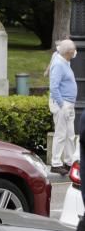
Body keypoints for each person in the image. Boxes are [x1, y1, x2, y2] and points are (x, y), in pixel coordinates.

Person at [49, 38, 77, 175]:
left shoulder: (65, 60)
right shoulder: (59, 64)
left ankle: (69, 162)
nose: (74, 53)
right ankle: (56, 163)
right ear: (68, 53)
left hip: (69, 104)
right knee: (61, 134)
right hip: (63, 104)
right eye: (72, 51)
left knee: (70, 134)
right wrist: (62, 105)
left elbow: (59, 50)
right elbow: (54, 87)